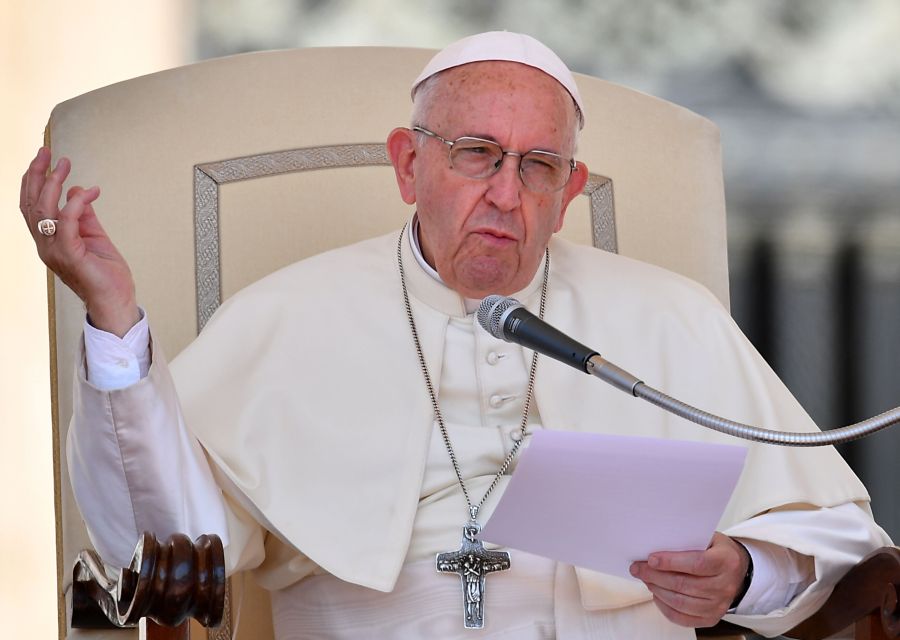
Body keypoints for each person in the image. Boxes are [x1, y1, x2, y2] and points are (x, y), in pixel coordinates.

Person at [20, 32, 891, 639]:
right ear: (409, 164)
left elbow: (843, 536)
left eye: (538, 166)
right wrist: (114, 317)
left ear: (571, 188)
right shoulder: (287, 318)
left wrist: (744, 571)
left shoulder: (671, 317)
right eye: (476, 153)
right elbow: (162, 542)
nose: (507, 195)